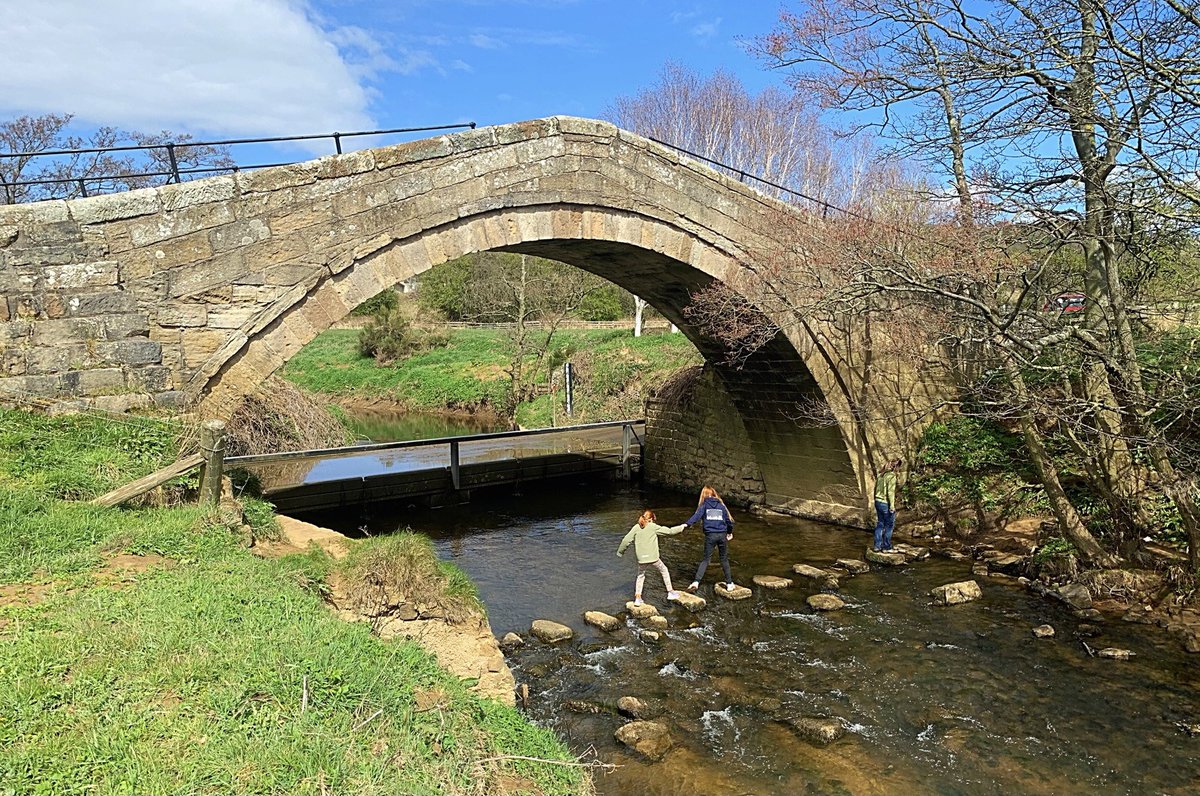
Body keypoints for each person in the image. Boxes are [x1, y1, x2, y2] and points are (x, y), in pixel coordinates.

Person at [616, 509, 687, 605]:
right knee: (664, 570)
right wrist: (682, 527)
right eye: (653, 520)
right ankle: (670, 592)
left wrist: (620, 552)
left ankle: (637, 598)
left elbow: (626, 540)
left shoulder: (636, 527)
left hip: (641, 559)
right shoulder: (653, 527)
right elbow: (669, 531)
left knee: (640, 576)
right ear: (650, 519)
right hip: (653, 558)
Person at [684, 486, 736, 592]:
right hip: (722, 535)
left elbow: (696, 516)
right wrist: (729, 532)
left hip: (710, 535)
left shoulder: (704, 505)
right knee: (724, 559)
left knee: (706, 560)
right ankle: (729, 583)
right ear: (714, 494)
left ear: (703, 495)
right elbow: (729, 521)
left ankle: (696, 582)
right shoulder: (721, 505)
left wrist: (686, 524)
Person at [873, 459, 902, 552]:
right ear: (896, 467)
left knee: (880, 523)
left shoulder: (881, 475)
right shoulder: (891, 476)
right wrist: (892, 506)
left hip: (878, 501)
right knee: (889, 525)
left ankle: (877, 546)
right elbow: (890, 492)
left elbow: (875, 489)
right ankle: (886, 547)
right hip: (885, 503)